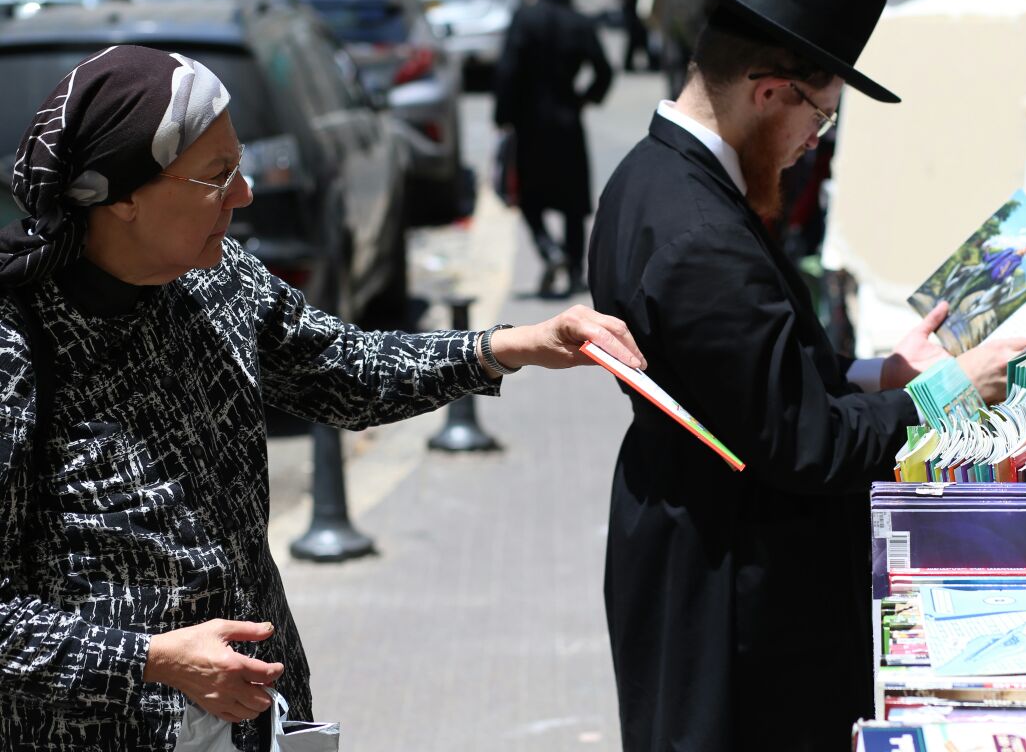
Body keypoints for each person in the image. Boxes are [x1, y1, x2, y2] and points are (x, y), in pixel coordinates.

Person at [0, 44, 643, 751]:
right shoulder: (19, 342)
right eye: (217, 176)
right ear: (120, 197)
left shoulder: (219, 282)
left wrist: (512, 345)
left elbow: (345, 370)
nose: (244, 194)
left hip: (256, 722)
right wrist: (151, 661)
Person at [587, 0, 1026, 750]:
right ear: (769, 92)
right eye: (819, 120)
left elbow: (739, 374)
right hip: (732, 592)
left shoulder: (652, 178)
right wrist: (947, 391)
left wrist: (874, 371)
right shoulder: (699, 236)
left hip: (703, 549)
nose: (808, 148)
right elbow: (802, 442)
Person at [494, 0, 612, 297]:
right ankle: (575, 271)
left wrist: (503, 116)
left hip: (530, 123)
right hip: (567, 120)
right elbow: (604, 72)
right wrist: (583, 99)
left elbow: (508, 72)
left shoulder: (525, 18)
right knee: (573, 203)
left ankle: (548, 248)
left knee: (528, 196)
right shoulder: (579, 20)